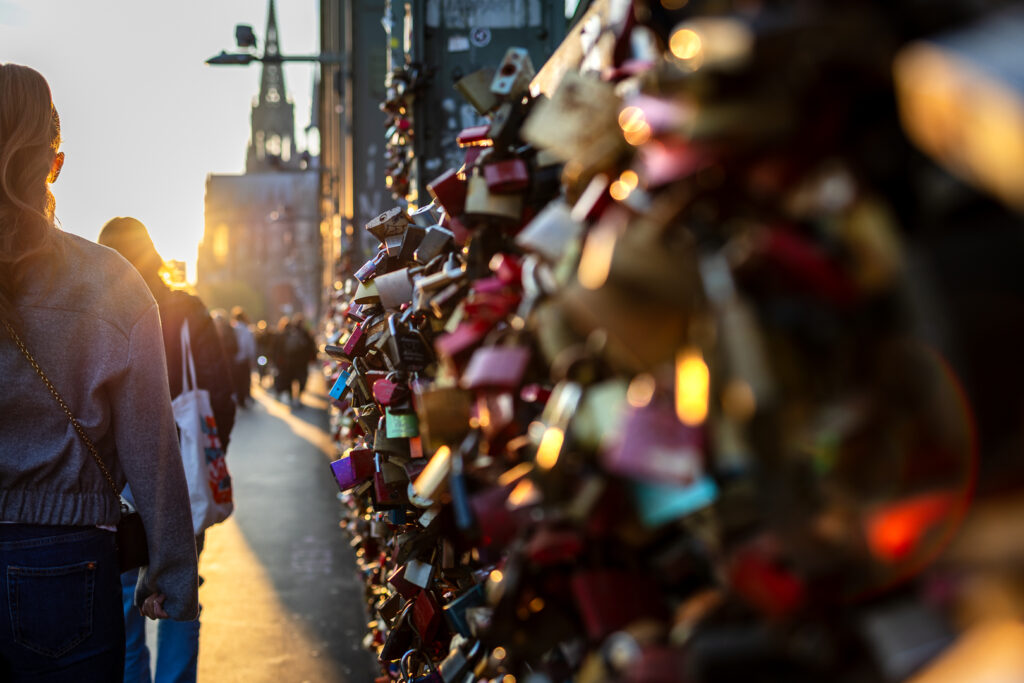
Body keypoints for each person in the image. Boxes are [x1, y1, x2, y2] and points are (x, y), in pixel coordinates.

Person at [0, 63, 198, 679]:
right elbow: (151, 443)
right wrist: (171, 571)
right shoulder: (108, 280)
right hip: (64, 563)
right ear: (54, 165)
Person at [97, 217, 236, 683]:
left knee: (124, 607)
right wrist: (209, 454)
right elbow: (221, 394)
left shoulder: (98, 315)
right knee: (180, 594)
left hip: (117, 484)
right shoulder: (188, 312)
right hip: (182, 475)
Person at [272, 314, 316, 406]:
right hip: (302, 362)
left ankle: (292, 397)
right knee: (301, 380)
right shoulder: (305, 333)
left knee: (290, 380)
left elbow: (278, 349)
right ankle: (298, 398)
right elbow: (311, 347)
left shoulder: (286, 333)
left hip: (290, 362)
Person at [230, 306, 256, 407]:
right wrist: (251, 357)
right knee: (245, 380)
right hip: (244, 359)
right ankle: (244, 397)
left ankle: (238, 397)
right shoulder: (246, 329)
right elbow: (250, 345)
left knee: (236, 380)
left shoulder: (231, 328)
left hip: (233, 359)